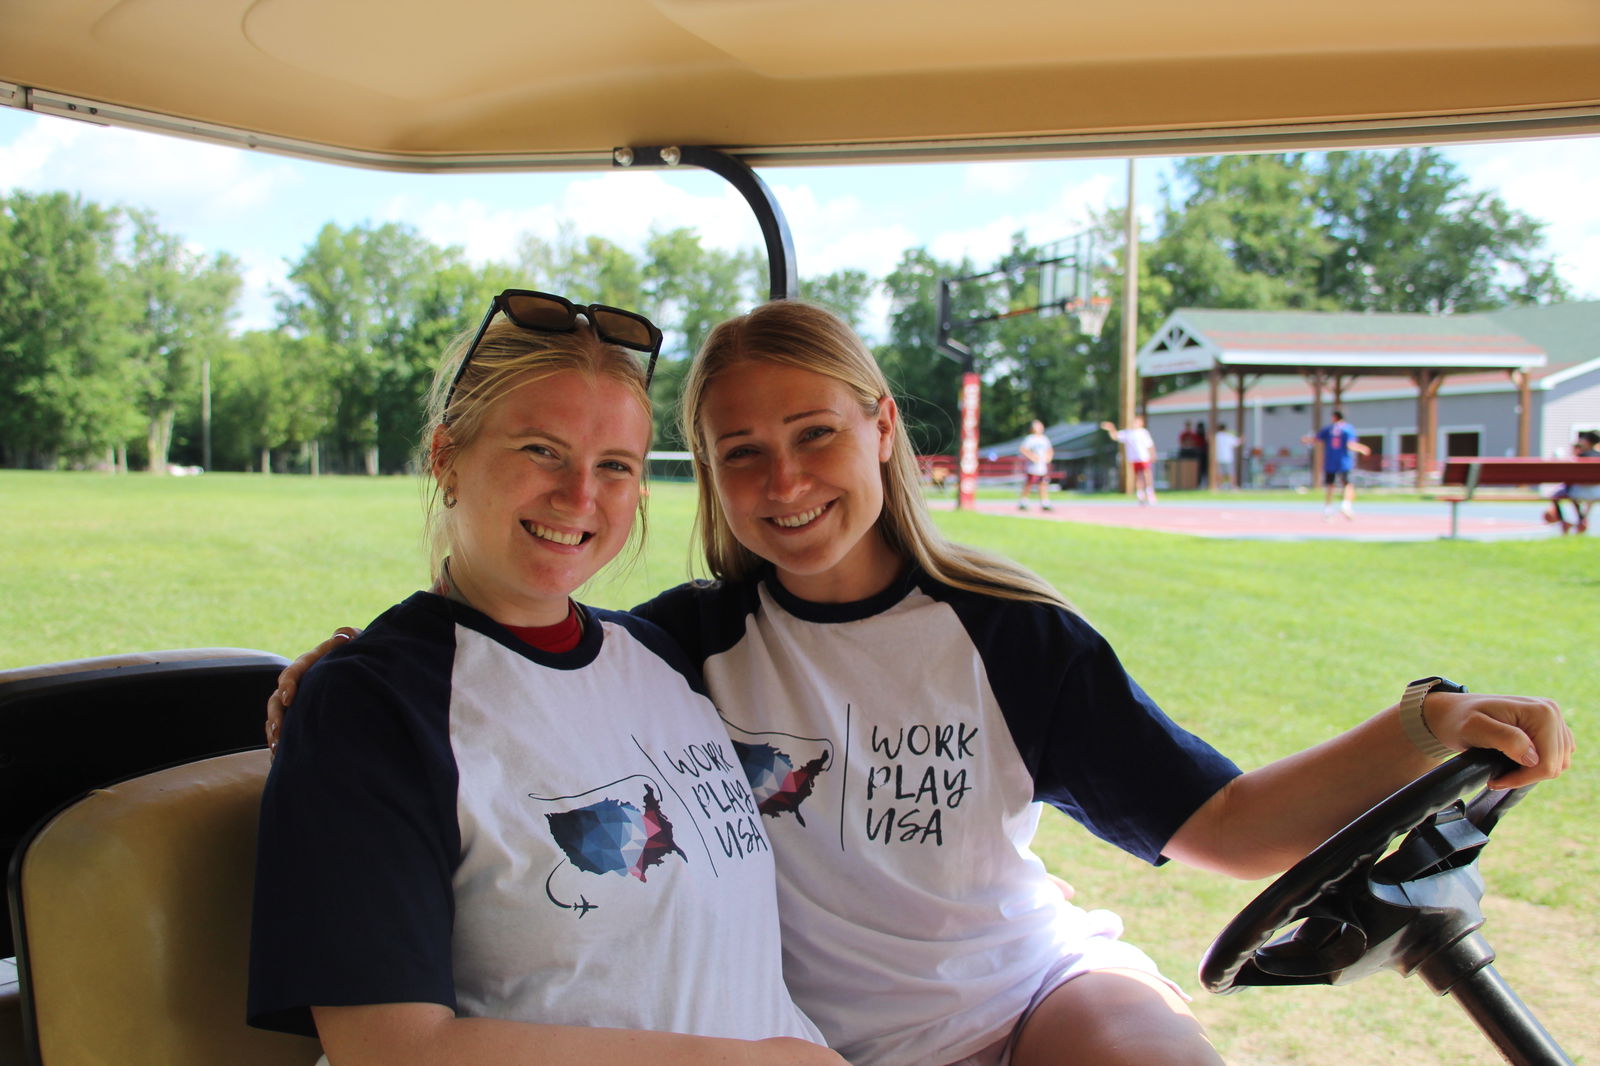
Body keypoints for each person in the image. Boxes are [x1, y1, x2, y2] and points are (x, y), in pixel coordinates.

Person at [273, 301, 1574, 1066]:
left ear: (881, 428)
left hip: (1022, 996)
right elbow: (515, 662)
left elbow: (1225, 824)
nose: (785, 483)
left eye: (815, 436)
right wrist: (357, 667)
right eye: (741, 454)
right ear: (712, 478)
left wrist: (1428, 724)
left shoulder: (1007, 635)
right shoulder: (681, 646)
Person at [249, 291, 839, 1066]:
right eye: (540, 450)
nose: (579, 495)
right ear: (445, 457)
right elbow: (388, 1048)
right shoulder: (376, 705)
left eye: (615, 467)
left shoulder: (664, 655)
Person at [1301, 410, 1371, 519]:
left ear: (1334, 417)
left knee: (1330, 486)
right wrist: (1362, 448)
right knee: (1347, 484)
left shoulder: (1329, 429)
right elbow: (1350, 444)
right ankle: (1345, 505)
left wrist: (1306, 440)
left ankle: (1327, 510)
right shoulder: (1348, 429)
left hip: (1330, 461)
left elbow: (1316, 439)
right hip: (1343, 461)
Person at [1544, 430, 1599, 534]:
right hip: (1597, 491)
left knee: (1564, 494)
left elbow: (1571, 477)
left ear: (1587, 442)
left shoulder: (1582, 456)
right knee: (1576, 494)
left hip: (1579, 491)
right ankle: (1581, 520)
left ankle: (1568, 522)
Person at [1100, 415, 1158, 504]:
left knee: (1147, 474)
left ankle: (1149, 492)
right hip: (1134, 459)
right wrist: (1111, 428)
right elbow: (1115, 436)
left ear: (1141, 423)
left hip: (1144, 457)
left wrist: (1153, 455)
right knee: (1138, 477)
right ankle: (1140, 494)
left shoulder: (1143, 432)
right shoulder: (1128, 433)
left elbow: (1150, 445)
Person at [1017, 420, 1054, 511]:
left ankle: (1044, 502)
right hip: (1033, 466)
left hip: (1042, 466)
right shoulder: (1030, 439)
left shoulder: (1044, 439)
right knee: (1029, 483)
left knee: (1043, 483)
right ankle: (1023, 501)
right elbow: (1023, 449)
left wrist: (1049, 458)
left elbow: (1050, 450)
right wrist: (1032, 456)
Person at [1212, 423, 1241, 490]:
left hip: (1218, 457)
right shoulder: (1228, 436)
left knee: (1219, 473)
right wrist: (1241, 439)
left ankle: (1218, 486)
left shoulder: (1216, 436)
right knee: (1231, 473)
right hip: (1228, 457)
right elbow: (1237, 443)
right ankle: (1233, 486)